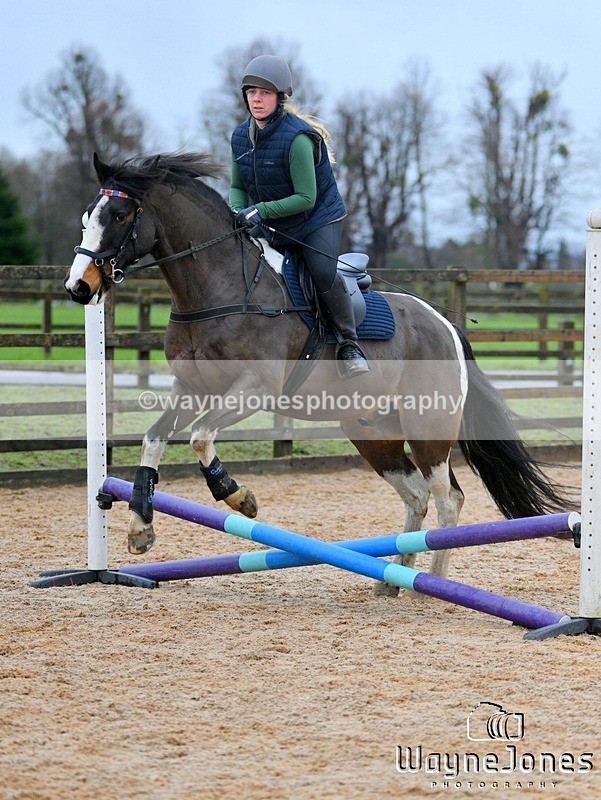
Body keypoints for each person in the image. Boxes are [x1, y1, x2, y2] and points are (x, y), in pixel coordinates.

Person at [229, 54, 369, 380]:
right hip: (274, 221)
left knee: (320, 271)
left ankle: (350, 346)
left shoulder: (298, 138)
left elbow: (306, 199)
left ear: (280, 97)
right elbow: (237, 187)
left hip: (317, 219)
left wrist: (260, 210)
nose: (257, 99)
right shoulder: (239, 137)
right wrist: (237, 211)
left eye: (265, 93)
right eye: (252, 92)